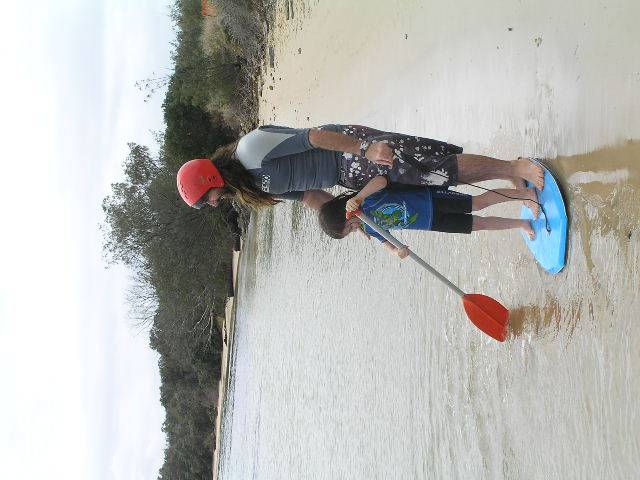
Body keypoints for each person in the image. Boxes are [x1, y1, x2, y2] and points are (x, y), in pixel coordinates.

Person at [176, 124, 544, 210]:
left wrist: (365, 148)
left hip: (347, 150)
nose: (213, 203)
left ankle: (515, 167)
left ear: (210, 178)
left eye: (207, 197)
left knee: (433, 167)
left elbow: (313, 137)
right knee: (430, 182)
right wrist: (345, 215)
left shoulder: (250, 148)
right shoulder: (251, 187)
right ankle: (509, 175)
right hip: (345, 177)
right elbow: (309, 196)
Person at [318, 175, 538, 259]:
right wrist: (397, 252)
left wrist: (359, 197)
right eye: (350, 232)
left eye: (349, 227)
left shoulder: (364, 199)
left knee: (478, 203)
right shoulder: (368, 228)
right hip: (431, 223)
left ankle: (525, 194)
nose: (354, 229)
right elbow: (386, 242)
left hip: (432, 200)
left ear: (344, 214)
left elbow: (381, 181)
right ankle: (521, 223)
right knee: (478, 224)